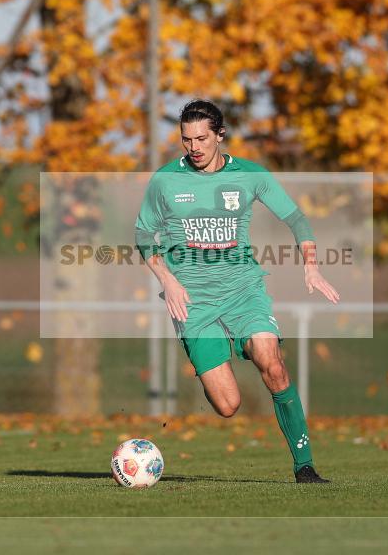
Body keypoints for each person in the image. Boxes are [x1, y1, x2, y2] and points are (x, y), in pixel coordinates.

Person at [135, 99, 340, 483]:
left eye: (201, 138)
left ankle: (305, 467)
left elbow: (295, 218)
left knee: (272, 363)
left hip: (244, 290)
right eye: (186, 140)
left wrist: (311, 264)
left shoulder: (251, 175)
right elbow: (144, 235)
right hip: (192, 302)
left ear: (220, 136)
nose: (194, 147)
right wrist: (168, 280)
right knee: (229, 405)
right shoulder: (164, 180)